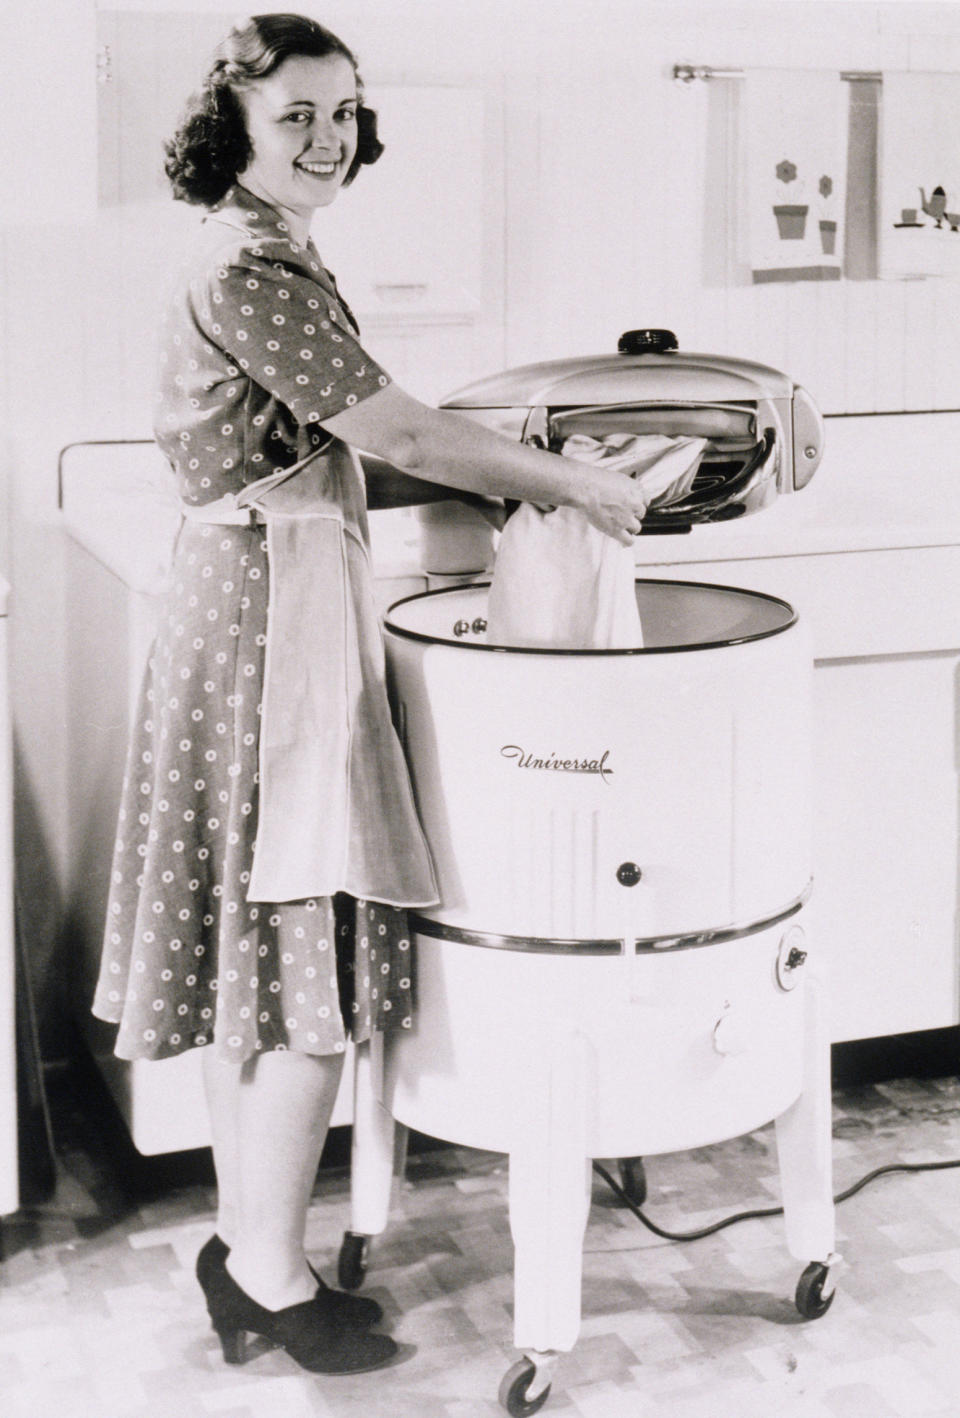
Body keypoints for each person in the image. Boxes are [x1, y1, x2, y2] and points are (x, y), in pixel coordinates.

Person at [92, 11, 652, 1378]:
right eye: (297, 114)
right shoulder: (255, 267)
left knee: (258, 958)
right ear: (232, 124)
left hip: (251, 606)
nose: (329, 135)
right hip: (271, 626)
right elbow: (391, 429)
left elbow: (357, 450)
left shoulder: (266, 252)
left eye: (345, 110)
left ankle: (247, 1251)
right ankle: (274, 1281)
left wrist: (507, 459)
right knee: (295, 963)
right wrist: (576, 483)